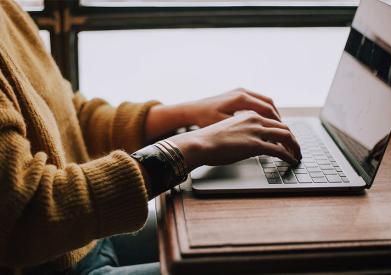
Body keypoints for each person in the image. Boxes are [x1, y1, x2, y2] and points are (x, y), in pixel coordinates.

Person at [0, 0, 301, 274]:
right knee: (269, 265)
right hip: (51, 263)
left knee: (264, 235)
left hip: (84, 240)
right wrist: (185, 149)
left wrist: (185, 113)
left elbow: (67, 117)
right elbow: (26, 217)